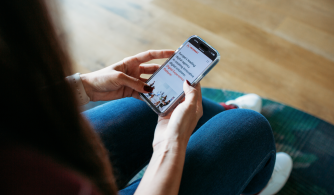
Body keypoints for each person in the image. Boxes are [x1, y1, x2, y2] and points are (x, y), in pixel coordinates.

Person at [0, 0, 292, 195]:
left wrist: (85, 86)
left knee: (145, 103)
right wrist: (169, 145)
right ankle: (251, 175)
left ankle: (219, 122)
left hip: (34, 145)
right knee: (248, 128)